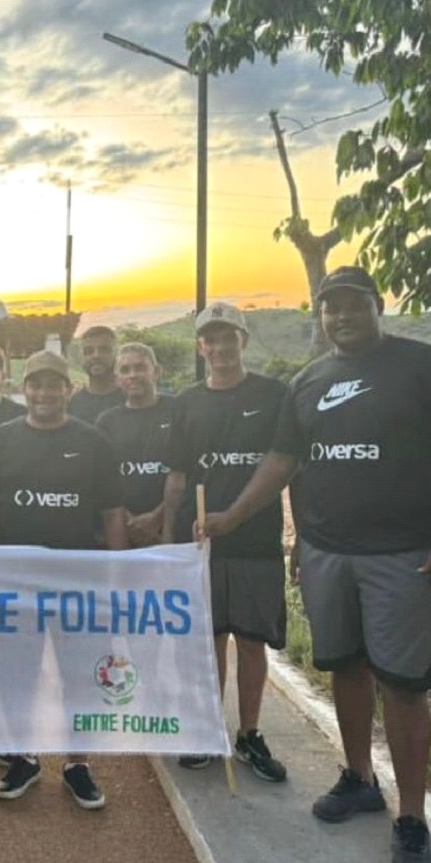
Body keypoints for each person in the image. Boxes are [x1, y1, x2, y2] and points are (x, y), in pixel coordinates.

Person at [199, 267, 431, 863]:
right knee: (346, 668)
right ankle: (359, 778)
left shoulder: (425, 367)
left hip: (405, 555)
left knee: (403, 686)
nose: (342, 316)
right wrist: (238, 518)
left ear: (378, 306)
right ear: (320, 314)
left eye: (354, 305)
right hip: (329, 555)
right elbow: (285, 463)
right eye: (331, 307)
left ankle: (412, 819)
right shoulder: (309, 382)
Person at [0, 349, 126, 809]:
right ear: (24, 389)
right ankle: (25, 756)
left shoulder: (94, 442)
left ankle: (78, 764)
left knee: (81, 675)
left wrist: (118, 576)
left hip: (80, 583)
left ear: (68, 390)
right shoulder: (0, 439)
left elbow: (113, 513)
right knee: (18, 674)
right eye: (36, 384)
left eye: (53, 384)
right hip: (16, 584)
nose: (44, 393)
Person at [161, 303, 289, 783]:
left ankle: (249, 734)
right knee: (209, 639)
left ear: (244, 341)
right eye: (210, 339)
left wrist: (239, 518)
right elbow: (177, 475)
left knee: (252, 641)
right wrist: (168, 535)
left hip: (256, 541)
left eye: (228, 337)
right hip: (201, 542)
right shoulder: (187, 402)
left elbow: (287, 464)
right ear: (201, 347)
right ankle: (208, 729)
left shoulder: (274, 395)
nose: (219, 347)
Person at [96, 343, 175, 548]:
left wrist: (157, 517)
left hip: (171, 529)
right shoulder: (106, 422)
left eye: (140, 368)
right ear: (117, 379)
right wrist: (128, 521)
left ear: (156, 372)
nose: (132, 375)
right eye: (125, 370)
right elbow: (102, 480)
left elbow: (190, 475)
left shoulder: (179, 411)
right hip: (123, 531)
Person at [68, 326, 124, 424]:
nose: (96, 355)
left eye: (104, 350)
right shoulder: (70, 404)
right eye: (89, 351)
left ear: (116, 354)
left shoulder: (131, 399)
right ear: (81, 357)